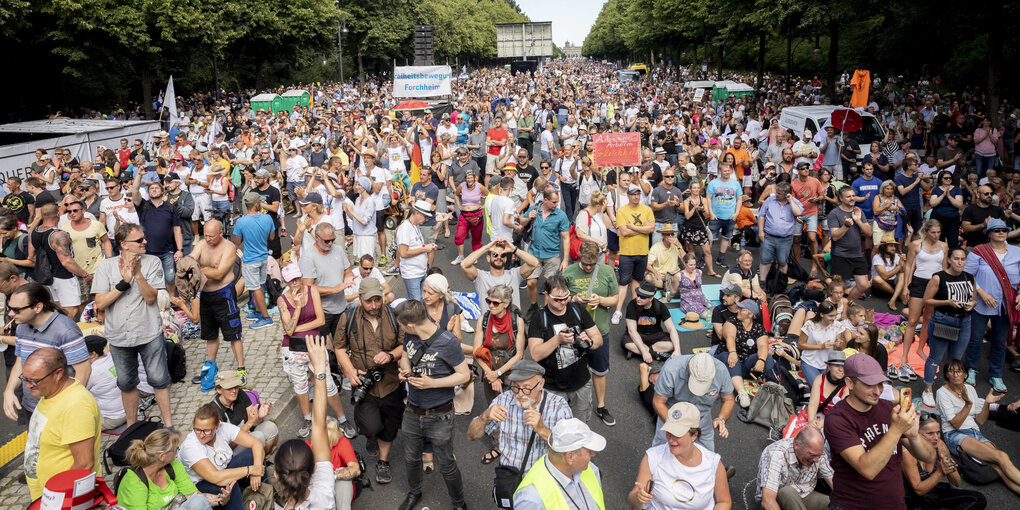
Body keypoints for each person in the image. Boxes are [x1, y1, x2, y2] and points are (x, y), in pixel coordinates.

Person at [824, 353, 934, 510]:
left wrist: (914, 435)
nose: (878, 391)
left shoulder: (887, 408)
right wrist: (896, 430)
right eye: (869, 385)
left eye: (881, 384)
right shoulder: (837, 419)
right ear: (849, 383)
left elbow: (929, 456)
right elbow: (867, 470)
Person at [91, 223, 174, 427]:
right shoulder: (106, 266)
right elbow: (100, 303)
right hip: (119, 336)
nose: (145, 242)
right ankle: (131, 427)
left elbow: (150, 298)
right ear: (124, 244)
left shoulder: (152, 262)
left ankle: (169, 424)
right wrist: (123, 284)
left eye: (143, 238)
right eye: (139, 240)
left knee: (159, 380)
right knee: (126, 384)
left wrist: (138, 275)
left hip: (148, 332)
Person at [394, 299, 471, 510]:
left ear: (410, 324)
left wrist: (433, 383)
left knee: (446, 464)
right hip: (412, 410)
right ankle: (414, 492)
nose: (401, 329)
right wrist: (405, 369)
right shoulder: (411, 335)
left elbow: (464, 375)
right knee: (411, 458)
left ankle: (458, 503)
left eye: (401, 325)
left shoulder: (448, 342)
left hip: (440, 415)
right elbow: (405, 356)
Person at [333, 278, 403, 485]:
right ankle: (372, 436)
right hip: (364, 384)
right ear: (360, 298)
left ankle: (383, 461)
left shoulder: (393, 315)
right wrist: (350, 370)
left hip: (390, 382)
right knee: (371, 427)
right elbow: (339, 347)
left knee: (390, 427)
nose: (374, 306)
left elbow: (403, 345)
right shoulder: (348, 317)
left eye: (377, 300)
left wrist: (390, 356)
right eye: (369, 301)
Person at [276, 264, 351, 438]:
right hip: (293, 348)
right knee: (300, 384)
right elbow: (288, 330)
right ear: (286, 283)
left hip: (315, 343)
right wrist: (299, 307)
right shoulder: (282, 300)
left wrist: (295, 327)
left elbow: (320, 320)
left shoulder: (312, 291)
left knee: (327, 382)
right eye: (291, 281)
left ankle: (342, 419)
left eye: (297, 278)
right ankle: (307, 418)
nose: (296, 283)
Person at [466, 359, 572, 477]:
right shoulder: (503, 400)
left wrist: (542, 430)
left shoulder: (559, 407)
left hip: (541, 478)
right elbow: (471, 436)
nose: (520, 394)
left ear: (541, 384)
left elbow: (570, 451)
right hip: (508, 476)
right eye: (516, 387)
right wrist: (484, 417)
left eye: (526, 388)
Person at [20, 348, 101, 500]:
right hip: (47, 494)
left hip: (61, 498)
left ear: (58, 374)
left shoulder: (76, 406)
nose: (27, 386)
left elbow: (84, 464)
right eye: (25, 379)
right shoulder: (51, 392)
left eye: (33, 381)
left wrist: (57, 500)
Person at [2, 283, 90, 422]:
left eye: (16, 310)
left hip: (59, 409)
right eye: (9, 308)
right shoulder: (21, 328)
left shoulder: (66, 330)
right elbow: (21, 361)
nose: (11, 314)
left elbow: (83, 372)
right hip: (31, 406)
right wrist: (9, 390)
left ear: (38, 307)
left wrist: (65, 405)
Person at [935, 359, 1020, 494]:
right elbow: (955, 424)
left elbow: (980, 420)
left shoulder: (970, 389)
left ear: (965, 375)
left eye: (959, 371)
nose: (955, 374)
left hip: (975, 432)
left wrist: (986, 403)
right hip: (955, 435)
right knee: (1001, 456)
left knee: (998, 467)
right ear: (946, 375)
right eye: (951, 371)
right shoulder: (942, 393)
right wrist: (967, 405)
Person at [526, 275, 604, 422]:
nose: (563, 302)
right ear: (547, 296)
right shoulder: (539, 318)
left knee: (580, 426)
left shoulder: (577, 309)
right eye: (557, 299)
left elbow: (598, 339)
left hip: (580, 383)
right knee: (553, 426)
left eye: (566, 297)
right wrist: (557, 340)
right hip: (552, 386)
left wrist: (590, 341)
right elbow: (535, 354)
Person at [629, 401, 732, 510]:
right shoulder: (653, 457)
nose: (671, 440)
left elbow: (723, 502)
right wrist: (638, 498)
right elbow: (634, 501)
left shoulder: (713, 464)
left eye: (677, 434)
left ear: (694, 435)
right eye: (669, 432)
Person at [562, 240, 620, 426]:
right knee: (569, 368)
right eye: (585, 263)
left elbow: (615, 299)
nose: (588, 267)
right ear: (578, 256)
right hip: (574, 332)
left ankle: (601, 406)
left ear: (597, 259)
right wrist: (574, 298)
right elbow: (559, 299)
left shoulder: (607, 271)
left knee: (600, 371)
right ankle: (568, 405)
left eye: (592, 264)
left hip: (599, 331)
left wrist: (601, 300)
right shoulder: (569, 272)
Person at [188, 220, 246, 387]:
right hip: (206, 295)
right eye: (205, 235)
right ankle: (210, 367)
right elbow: (190, 260)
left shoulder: (228, 248)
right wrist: (188, 265)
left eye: (211, 236)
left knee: (234, 333)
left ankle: (241, 368)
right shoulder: (201, 244)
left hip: (224, 295)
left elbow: (220, 274)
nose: (207, 239)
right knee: (210, 335)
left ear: (221, 233)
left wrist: (198, 269)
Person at [179, 403, 266, 510]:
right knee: (228, 485)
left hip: (224, 470)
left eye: (207, 430)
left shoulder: (223, 428)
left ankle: (266, 497)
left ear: (217, 426)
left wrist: (257, 471)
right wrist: (250, 470)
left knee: (252, 456)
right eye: (197, 429)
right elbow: (216, 477)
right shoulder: (190, 446)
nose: (201, 435)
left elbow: (256, 444)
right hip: (203, 484)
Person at [964, 218, 1017, 392]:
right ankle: (971, 369)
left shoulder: (1016, 252)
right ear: (989, 234)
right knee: (976, 338)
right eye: (997, 230)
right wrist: (981, 293)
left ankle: (996, 375)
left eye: (1004, 230)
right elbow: (967, 275)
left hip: (1006, 304)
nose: (1001, 233)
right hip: (982, 303)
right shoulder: (979, 251)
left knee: (1000, 342)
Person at [919, 247, 975, 408]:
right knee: (935, 357)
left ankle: (951, 389)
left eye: (963, 259)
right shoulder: (939, 278)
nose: (960, 262)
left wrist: (972, 304)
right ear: (949, 259)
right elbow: (927, 300)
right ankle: (928, 389)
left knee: (956, 360)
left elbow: (974, 300)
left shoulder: (970, 277)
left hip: (964, 321)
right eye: (956, 258)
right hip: (943, 320)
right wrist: (947, 302)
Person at [117, 428, 226, 510]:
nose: (178, 452)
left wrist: (219, 499)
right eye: (176, 449)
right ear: (162, 456)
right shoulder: (134, 481)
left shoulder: (173, 465)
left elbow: (193, 495)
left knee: (199, 501)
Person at [513, 418, 606, 510]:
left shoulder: (591, 469)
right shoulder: (531, 499)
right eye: (589, 451)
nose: (593, 454)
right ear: (570, 457)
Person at [652, 352, 734, 451]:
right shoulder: (671, 369)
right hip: (673, 415)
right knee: (661, 454)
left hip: (702, 418)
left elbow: (728, 399)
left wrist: (721, 418)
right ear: (689, 368)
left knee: (707, 456)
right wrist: (674, 426)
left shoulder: (721, 370)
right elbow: (658, 402)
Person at [902, 416, 988, 509]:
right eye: (930, 433)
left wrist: (949, 465)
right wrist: (940, 472)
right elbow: (918, 490)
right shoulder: (907, 452)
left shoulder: (939, 444)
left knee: (978, 499)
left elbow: (957, 483)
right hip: (914, 498)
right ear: (917, 434)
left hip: (933, 491)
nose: (936, 437)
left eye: (938, 432)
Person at [28, 204, 89, 318]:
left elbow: (31, 256)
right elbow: (66, 262)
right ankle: (61, 333)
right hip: (64, 277)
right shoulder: (59, 235)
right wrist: (85, 275)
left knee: (59, 309)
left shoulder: (33, 232)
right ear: (58, 214)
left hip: (47, 277)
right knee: (71, 310)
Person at [130, 168, 184, 296]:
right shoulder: (143, 206)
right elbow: (135, 191)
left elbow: (177, 230)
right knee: (150, 279)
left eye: (156, 188)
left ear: (162, 190)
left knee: (170, 278)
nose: (153, 189)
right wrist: (139, 175)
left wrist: (180, 250)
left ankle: (170, 300)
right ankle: (154, 302)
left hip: (167, 251)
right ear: (148, 193)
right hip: (147, 251)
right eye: (151, 188)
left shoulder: (170, 208)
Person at [717, 299, 776, 408]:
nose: (738, 311)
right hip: (729, 359)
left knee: (766, 356)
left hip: (746, 363)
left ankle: (770, 389)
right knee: (730, 358)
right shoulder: (731, 321)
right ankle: (742, 393)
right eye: (738, 308)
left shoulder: (758, 328)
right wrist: (733, 352)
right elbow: (730, 337)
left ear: (750, 314)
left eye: (741, 309)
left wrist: (761, 360)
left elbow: (763, 345)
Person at [755, 426, 832, 510]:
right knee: (787, 492)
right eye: (812, 455)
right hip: (777, 501)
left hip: (804, 495)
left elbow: (833, 481)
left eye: (819, 455)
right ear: (796, 445)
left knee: (834, 504)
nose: (817, 460)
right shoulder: (776, 454)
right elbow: (767, 501)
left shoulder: (817, 452)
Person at [611, 184, 655, 324]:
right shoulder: (622, 211)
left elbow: (652, 228)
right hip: (626, 252)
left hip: (642, 252)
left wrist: (633, 227)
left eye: (638, 194)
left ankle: (634, 309)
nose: (636, 196)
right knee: (623, 282)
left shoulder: (647, 210)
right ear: (628, 195)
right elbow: (623, 232)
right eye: (633, 194)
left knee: (636, 282)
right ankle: (618, 311)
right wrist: (643, 228)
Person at [521, 188, 570, 313]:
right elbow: (521, 220)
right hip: (534, 253)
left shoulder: (560, 215)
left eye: (557, 202)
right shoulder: (534, 209)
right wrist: (528, 218)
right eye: (553, 202)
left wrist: (565, 260)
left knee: (550, 287)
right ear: (545, 200)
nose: (556, 205)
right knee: (531, 282)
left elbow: (565, 238)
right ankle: (533, 306)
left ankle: (547, 312)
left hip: (552, 255)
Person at [232, 192, 275, 329]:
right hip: (263, 257)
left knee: (255, 288)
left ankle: (266, 317)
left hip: (250, 259)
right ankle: (258, 311)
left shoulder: (241, 222)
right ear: (257, 204)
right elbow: (272, 237)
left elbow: (237, 241)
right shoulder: (267, 218)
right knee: (259, 286)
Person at [210, 371, 279, 454]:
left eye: (236, 386)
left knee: (270, 427)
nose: (234, 391)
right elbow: (227, 445)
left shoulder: (240, 393)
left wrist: (259, 417)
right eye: (229, 388)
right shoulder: (214, 411)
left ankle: (263, 460)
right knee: (258, 437)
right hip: (229, 451)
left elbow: (254, 422)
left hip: (246, 435)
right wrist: (248, 424)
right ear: (218, 390)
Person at [461, 237, 538, 311]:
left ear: (505, 259)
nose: (499, 257)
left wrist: (514, 249)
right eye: (495, 254)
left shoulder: (514, 275)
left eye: (503, 255)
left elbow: (534, 263)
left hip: (512, 323)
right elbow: (464, 265)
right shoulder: (481, 277)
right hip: (490, 323)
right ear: (488, 258)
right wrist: (486, 248)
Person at [827, 186, 872, 300]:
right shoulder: (834, 213)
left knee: (864, 285)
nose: (852, 198)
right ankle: (835, 308)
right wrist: (846, 226)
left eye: (853, 196)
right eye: (848, 196)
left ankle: (847, 305)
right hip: (840, 255)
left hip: (857, 254)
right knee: (838, 289)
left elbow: (869, 233)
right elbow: (835, 237)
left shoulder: (858, 212)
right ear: (841, 198)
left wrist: (858, 220)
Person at [798, 300, 853, 388]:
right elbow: (800, 344)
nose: (834, 318)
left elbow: (839, 350)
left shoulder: (837, 325)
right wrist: (821, 346)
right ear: (821, 314)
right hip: (810, 362)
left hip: (828, 364)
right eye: (830, 316)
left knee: (831, 387)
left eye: (835, 315)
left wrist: (838, 345)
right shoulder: (810, 324)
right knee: (818, 388)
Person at [623, 281, 681, 361]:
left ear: (651, 298)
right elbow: (631, 330)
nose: (638, 299)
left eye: (643, 297)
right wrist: (644, 352)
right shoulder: (632, 305)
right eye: (638, 295)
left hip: (655, 335)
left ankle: (638, 351)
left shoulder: (660, 306)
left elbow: (671, 328)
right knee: (627, 343)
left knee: (672, 344)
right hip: (638, 334)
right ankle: (656, 354)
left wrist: (677, 350)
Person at [757, 182, 804, 278]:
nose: (776, 194)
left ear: (787, 194)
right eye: (776, 192)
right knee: (765, 260)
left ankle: (781, 283)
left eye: (779, 193)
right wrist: (761, 232)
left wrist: (790, 200)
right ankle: (762, 282)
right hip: (769, 237)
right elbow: (761, 215)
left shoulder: (795, 202)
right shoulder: (770, 200)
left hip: (785, 239)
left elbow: (798, 212)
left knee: (783, 262)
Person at [82, 335, 126, 431]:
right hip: (129, 411)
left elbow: (78, 391)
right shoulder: (111, 357)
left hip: (111, 419)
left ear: (93, 354)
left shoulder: (92, 372)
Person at [396, 200, 437, 301]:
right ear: (417, 213)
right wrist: (425, 249)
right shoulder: (405, 229)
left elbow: (415, 246)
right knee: (416, 304)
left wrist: (427, 246)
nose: (426, 219)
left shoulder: (415, 226)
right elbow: (403, 253)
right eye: (425, 216)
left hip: (420, 271)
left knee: (423, 300)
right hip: (412, 273)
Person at [706, 163, 742, 268]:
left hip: (730, 216)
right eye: (724, 170)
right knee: (710, 238)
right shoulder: (713, 183)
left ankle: (721, 257)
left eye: (728, 170)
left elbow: (739, 199)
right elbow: (708, 198)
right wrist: (711, 213)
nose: (726, 172)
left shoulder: (735, 184)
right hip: (715, 216)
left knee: (726, 237)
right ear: (720, 171)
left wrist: (736, 213)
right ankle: (705, 257)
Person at [681, 179, 719, 277]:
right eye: (694, 188)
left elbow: (707, 215)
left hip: (701, 228)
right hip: (690, 228)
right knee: (691, 250)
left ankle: (711, 270)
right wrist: (694, 208)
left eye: (698, 188)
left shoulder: (704, 200)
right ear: (690, 189)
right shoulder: (687, 201)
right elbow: (687, 216)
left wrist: (702, 210)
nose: (696, 190)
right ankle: (691, 271)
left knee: (707, 251)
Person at [452, 170, 487, 264]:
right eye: (468, 178)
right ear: (465, 179)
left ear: (475, 178)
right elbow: (456, 195)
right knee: (459, 236)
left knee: (476, 238)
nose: (470, 179)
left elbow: (490, 196)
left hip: (477, 215)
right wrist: (459, 206)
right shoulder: (461, 186)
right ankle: (460, 257)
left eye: (471, 177)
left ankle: (474, 257)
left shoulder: (479, 186)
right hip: (464, 215)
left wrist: (483, 206)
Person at [791, 165, 823, 263]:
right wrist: (796, 215)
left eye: (807, 168)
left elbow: (822, 196)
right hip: (799, 213)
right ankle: (797, 263)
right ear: (798, 171)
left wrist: (817, 199)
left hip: (812, 212)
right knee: (796, 239)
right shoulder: (793, 184)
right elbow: (791, 201)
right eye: (803, 168)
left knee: (812, 238)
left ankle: (815, 263)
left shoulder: (815, 181)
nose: (806, 170)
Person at [645, 225, 684, 301]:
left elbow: (685, 261)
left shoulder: (676, 245)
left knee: (683, 278)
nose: (670, 236)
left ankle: (664, 286)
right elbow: (647, 264)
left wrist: (679, 246)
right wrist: (655, 271)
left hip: (674, 274)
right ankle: (670, 287)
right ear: (662, 235)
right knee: (648, 277)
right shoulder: (656, 247)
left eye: (672, 234)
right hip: (661, 276)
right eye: (667, 234)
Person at [929, 170, 964, 250]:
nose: (948, 179)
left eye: (950, 178)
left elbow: (959, 205)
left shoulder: (957, 189)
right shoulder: (936, 189)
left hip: (952, 220)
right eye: (946, 178)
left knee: (953, 242)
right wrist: (943, 195)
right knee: (937, 241)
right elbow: (933, 203)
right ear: (941, 179)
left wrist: (949, 196)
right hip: (937, 219)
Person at [345, 176, 377, 260]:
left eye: (359, 185)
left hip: (367, 236)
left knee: (366, 260)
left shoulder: (370, 201)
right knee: (360, 260)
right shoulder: (358, 199)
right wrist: (347, 211)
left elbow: (364, 221)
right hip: (357, 234)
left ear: (365, 187)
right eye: (356, 184)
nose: (356, 187)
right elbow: (354, 218)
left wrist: (352, 212)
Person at [871, 233, 905, 311]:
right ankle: (898, 295)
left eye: (894, 246)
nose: (894, 248)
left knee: (902, 275)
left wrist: (903, 263)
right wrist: (899, 266)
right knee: (876, 279)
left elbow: (904, 272)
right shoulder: (877, 257)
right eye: (891, 246)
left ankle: (893, 299)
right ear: (883, 247)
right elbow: (885, 277)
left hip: (893, 282)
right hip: (881, 285)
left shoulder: (896, 256)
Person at [650, 166, 684, 245]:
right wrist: (665, 204)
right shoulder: (657, 190)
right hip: (659, 224)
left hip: (673, 224)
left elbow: (682, 209)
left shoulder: (677, 191)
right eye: (667, 176)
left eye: (672, 176)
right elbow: (654, 207)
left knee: (672, 250)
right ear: (663, 177)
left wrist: (677, 204)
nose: (670, 178)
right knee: (657, 249)